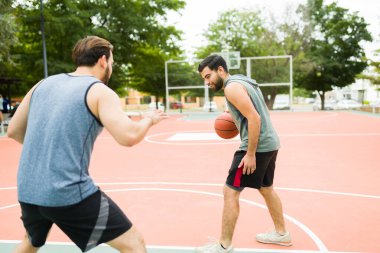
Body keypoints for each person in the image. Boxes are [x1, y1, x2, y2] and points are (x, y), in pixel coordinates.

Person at [7, 36, 168, 253]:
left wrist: (49, 146)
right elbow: (128, 136)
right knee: (134, 244)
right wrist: (149, 119)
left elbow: (14, 130)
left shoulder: (42, 84)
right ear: (103, 60)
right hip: (66, 191)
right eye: (111, 62)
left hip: (28, 189)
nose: (111, 66)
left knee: (30, 241)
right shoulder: (99, 90)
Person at [196, 55, 291, 253]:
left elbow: (254, 117)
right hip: (271, 141)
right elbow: (260, 110)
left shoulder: (231, 88)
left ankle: (224, 245)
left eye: (208, 76)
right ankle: (282, 234)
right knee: (266, 188)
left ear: (220, 70)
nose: (207, 82)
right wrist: (234, 114)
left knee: (230, 192)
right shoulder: (243, 80)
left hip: (257, 147)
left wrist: (250, 154)